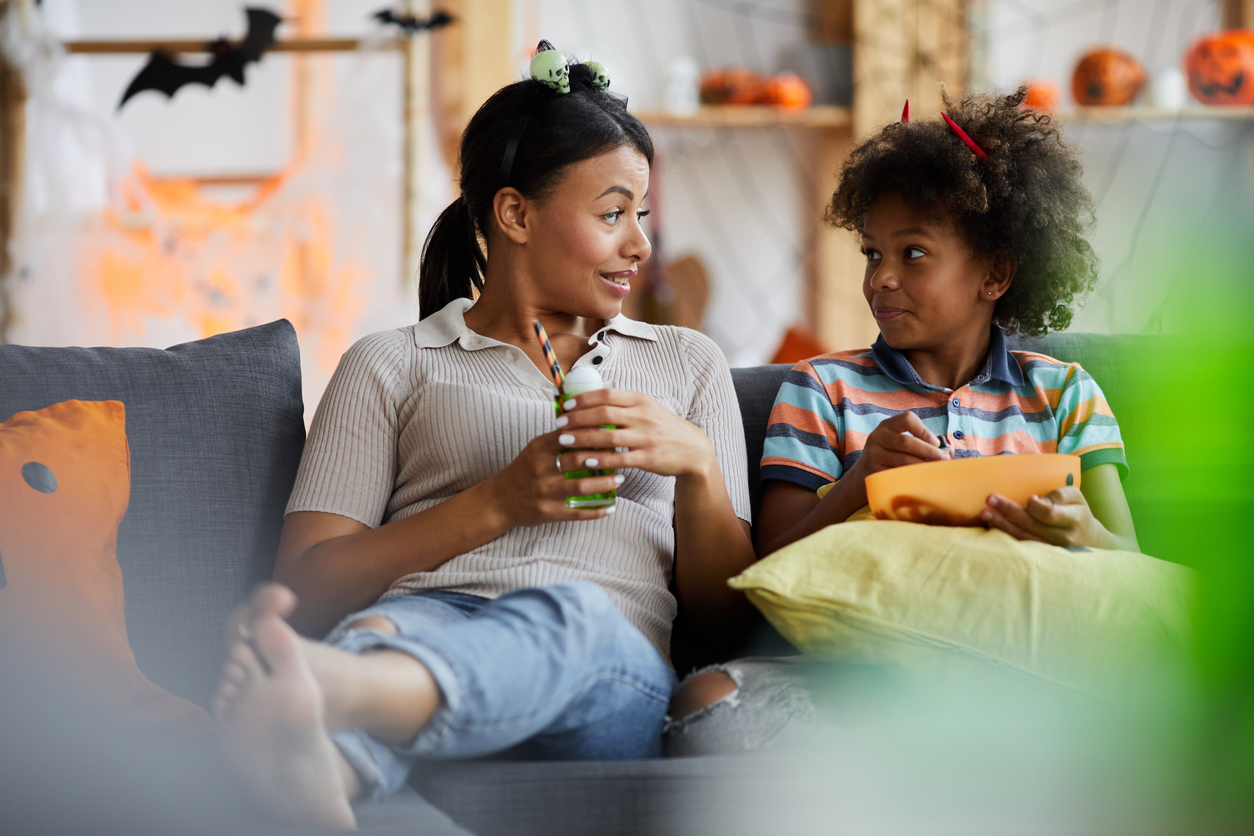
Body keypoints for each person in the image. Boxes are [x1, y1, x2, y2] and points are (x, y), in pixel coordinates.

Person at [211, 44, 755, 830]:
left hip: (605, 668)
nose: (639, 243)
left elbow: (727, 621)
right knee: (386, 632)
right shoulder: (392, 363)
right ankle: (320, 765)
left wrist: (699, 468)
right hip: (424, 622)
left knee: (567, 617)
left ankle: (327, 691)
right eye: (612, 213)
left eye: (641, 214)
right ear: (516, 215)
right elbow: (307, 588)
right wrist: (495, 504)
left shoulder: (685, 362)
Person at [664, 88, 1138, 755]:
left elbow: (1134, 570)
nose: (880, 278)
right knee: (706, 704)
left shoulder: (1065, 394)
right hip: (851, 676)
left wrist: (1080, 529)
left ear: (995, 274)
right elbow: (765, 580)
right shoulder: (821, 388)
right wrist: (858, 482)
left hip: (1024, 672)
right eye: (871, 253)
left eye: (911, 253)